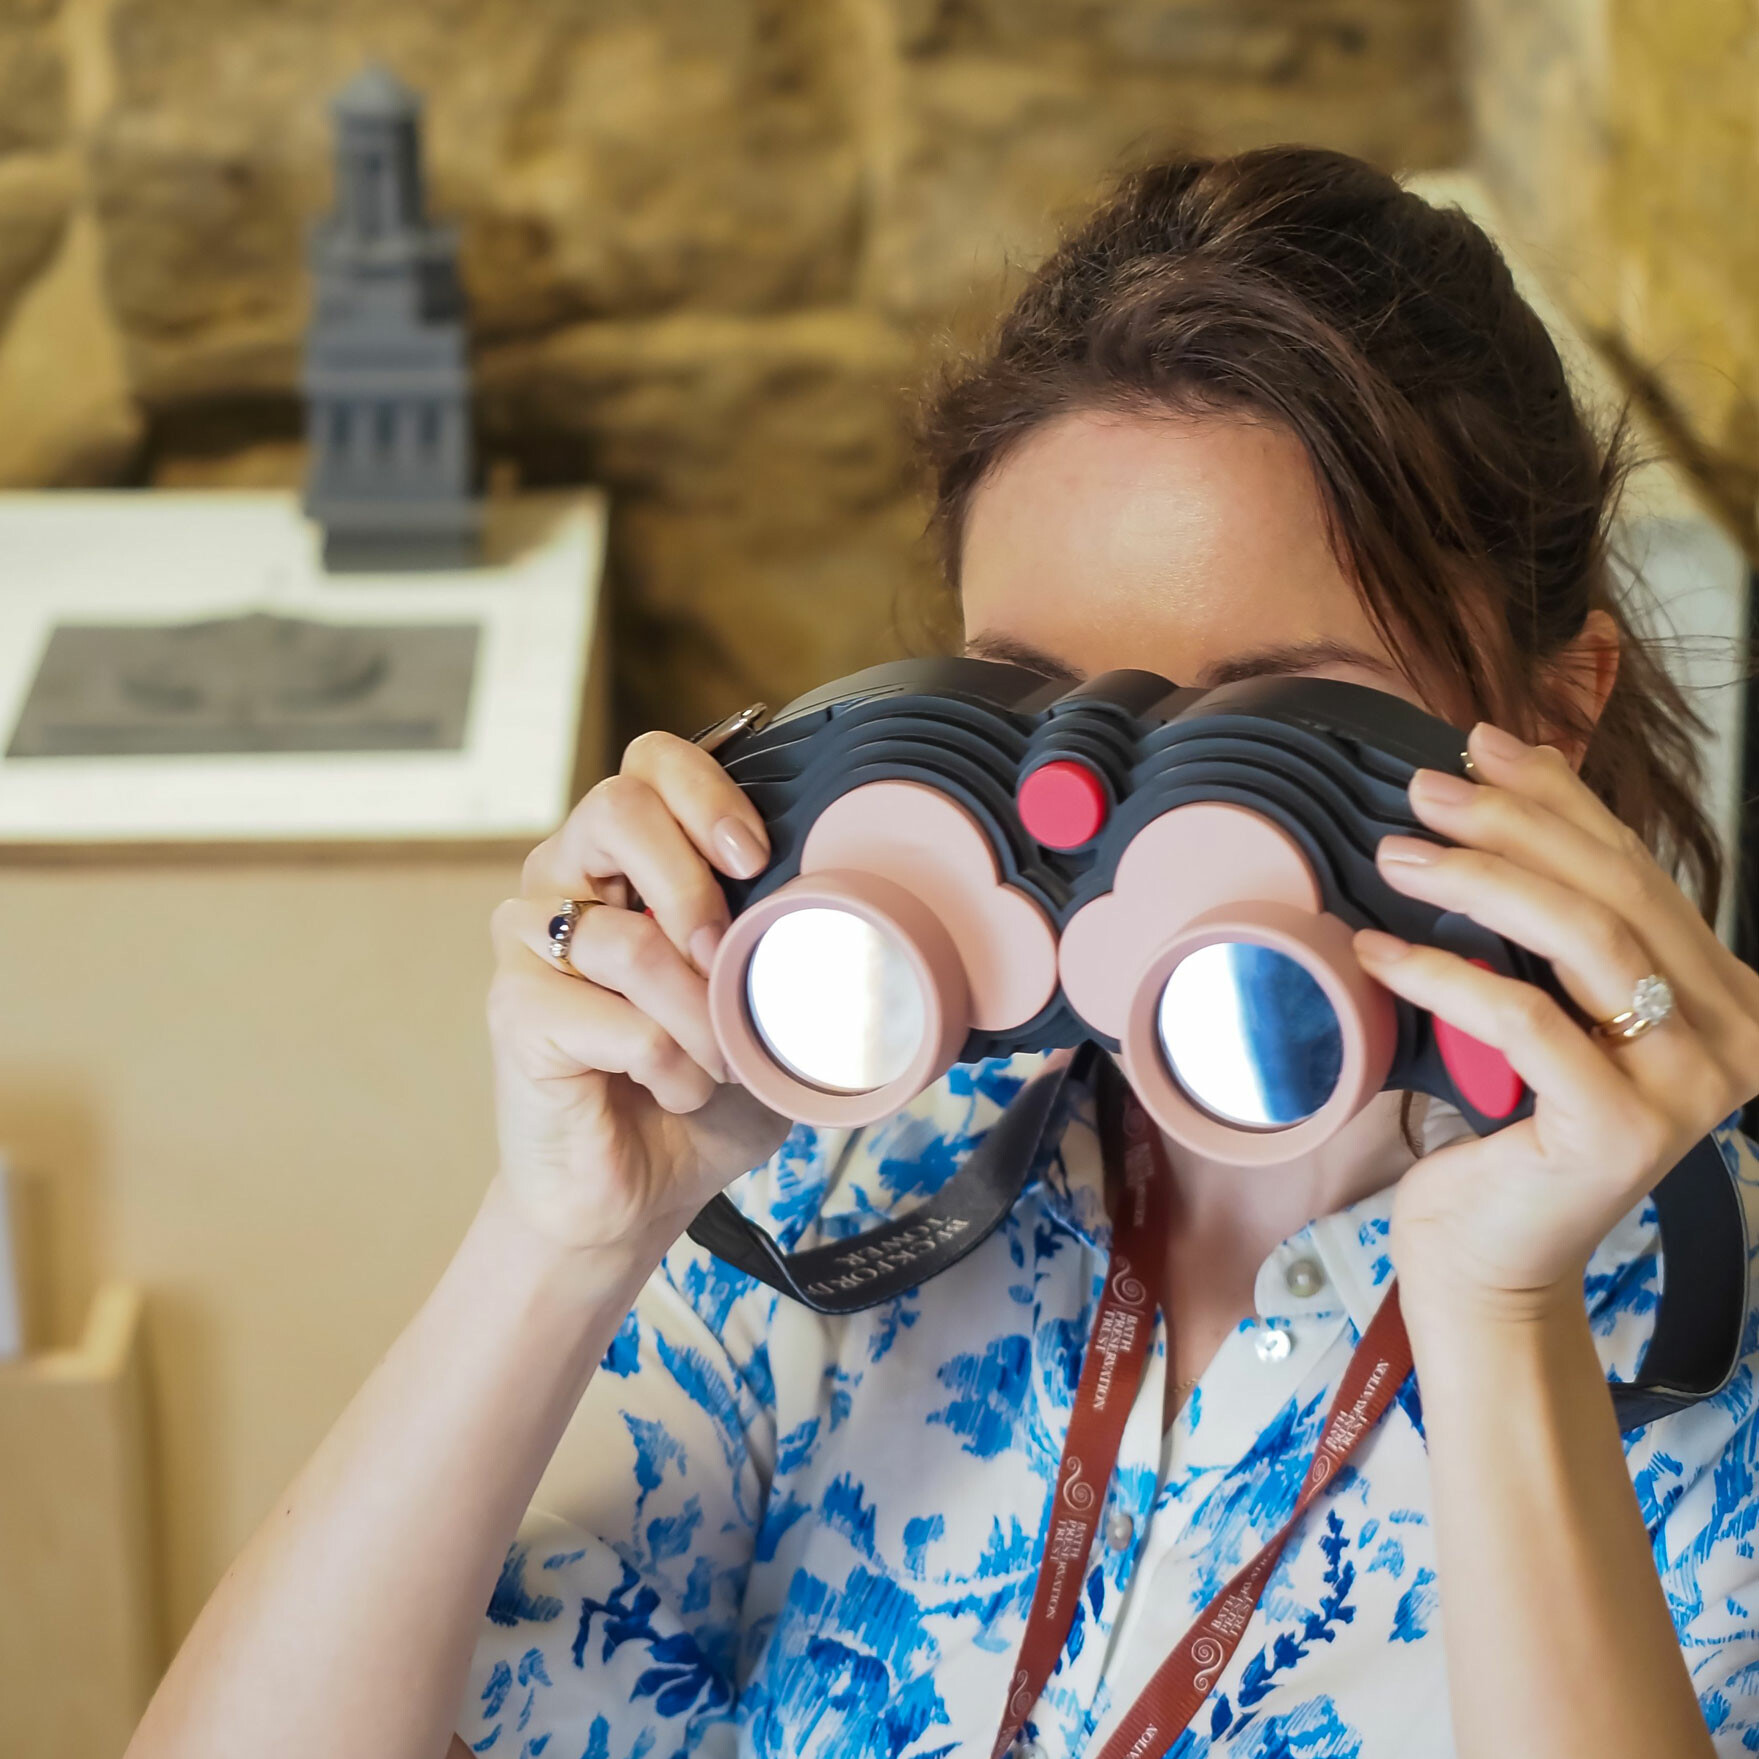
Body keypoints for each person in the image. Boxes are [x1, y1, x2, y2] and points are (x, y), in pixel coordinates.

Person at [126, 147, 1759, 1759]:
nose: (1117, 812)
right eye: (1034, 699)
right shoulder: (834, 1181)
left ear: (1558, 706)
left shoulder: (1719, 1343)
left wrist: (1500, 1307)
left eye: (1271, 720)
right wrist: (562, 1236)